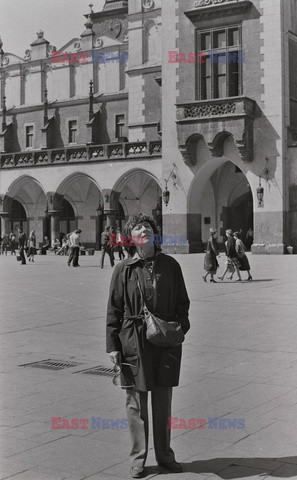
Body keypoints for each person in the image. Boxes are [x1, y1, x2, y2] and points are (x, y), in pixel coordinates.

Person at [106, 213, 190, 478]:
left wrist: (178, 329)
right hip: (133, 340)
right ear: (131, 237)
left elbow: (183, 303)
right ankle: (138, 458)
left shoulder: (171, 266)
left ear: (155, 234)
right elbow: (114, 310)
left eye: (147, 226)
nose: (143, 230)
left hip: (165, 340)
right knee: (135, 402)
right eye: (137, 227)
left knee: (163, 400)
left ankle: (164, 456)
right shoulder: (123, 269)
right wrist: (113, 345)